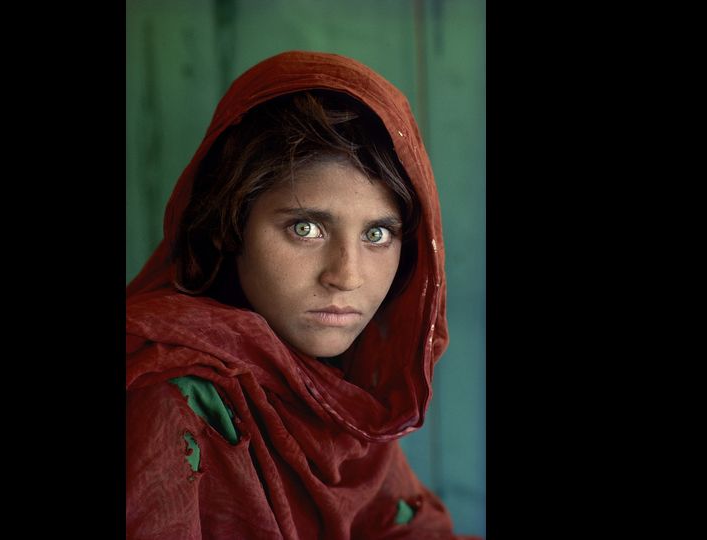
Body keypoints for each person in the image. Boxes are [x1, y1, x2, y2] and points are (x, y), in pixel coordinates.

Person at [127, 51, 477, 539]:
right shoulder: (171, 399)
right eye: (306, 227)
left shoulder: (340, 395)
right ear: (229, 225)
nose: (346, 276)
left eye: (377, 235)